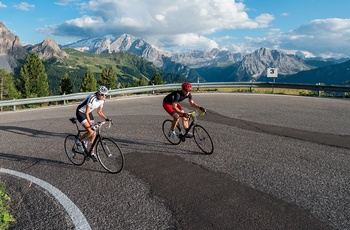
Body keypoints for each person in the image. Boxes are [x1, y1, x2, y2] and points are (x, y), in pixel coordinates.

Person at [75, 85, 112, 160]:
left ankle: (91, 152)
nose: (104, 96)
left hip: (88, 113)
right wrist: (91, 124)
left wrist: (107, 119)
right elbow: (86, 113)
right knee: (90, 131)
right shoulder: (92, 98)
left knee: (94, 133)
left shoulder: (102, 100)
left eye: (105, 95)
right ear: (98, 93)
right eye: (102, 94)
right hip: (81, 112)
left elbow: (99, 112)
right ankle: (79, 141)